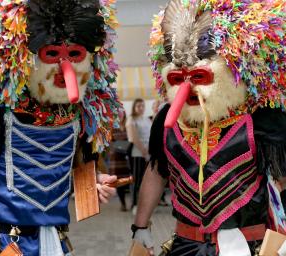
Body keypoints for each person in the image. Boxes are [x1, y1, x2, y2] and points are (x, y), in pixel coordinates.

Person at [131, 1, 286, 256]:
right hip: (186, 246)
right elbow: (157, 171)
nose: (187, 88)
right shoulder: (167, 120)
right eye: (178, 79)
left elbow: (282, 178)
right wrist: (140, 226)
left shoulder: (261, 119)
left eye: (199, 77)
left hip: (247, 245)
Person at [0, 0, 121, 255]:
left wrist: (95, 181)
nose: (65, 68)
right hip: (1, 243)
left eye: (74, 54)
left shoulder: (80, 112)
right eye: (52, 54)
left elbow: (77, 166)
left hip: (55, 241)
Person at [126, 99, 152, 215]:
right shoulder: (131, 120)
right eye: (138, 106)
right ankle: (135, 204)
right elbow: (133, 138)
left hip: (148, 153)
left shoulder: (146, 119)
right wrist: (143, 151)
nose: (141, 108)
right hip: (137, 153)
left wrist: (149, 152)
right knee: (137, 180)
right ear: (134, 107)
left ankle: (145, 205)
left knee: (147, 181)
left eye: (142, 106)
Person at [109, 110, 131, 211]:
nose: (120, 116)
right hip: (116, 157)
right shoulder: (112, 127)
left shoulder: (128, 125)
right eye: (118, 114)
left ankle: (133, 203)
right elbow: (109, 142)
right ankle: (123, 203)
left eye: (122, 114)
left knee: (130, 180)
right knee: (119, 181)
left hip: (128, 156)